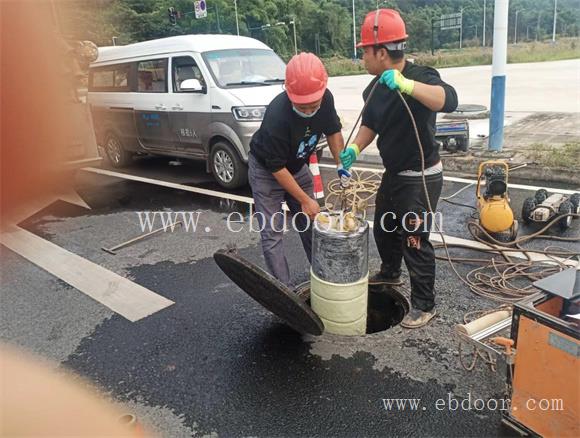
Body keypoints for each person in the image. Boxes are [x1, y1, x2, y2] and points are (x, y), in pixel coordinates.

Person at [340, 9, 458, 328]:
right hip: (393, 175)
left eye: (365, 51)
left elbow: (448, 100)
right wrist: (354, 148)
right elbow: (371, 124)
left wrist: (406, 85)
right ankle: (390, 273)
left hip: (421, 177)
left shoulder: (422, 77)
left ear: (381, 52)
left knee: (414, 238)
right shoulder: (374, 88)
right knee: (384, 227)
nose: (362, 57)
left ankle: (424, 304)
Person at [249, 52, 344, 286]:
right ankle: (285, 292)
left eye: (314, 105)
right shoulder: (277, 116)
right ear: (290, 94)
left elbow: (333, 131)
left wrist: (342, 163)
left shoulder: (326, 99)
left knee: (312, 222)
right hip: (267, 170)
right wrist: (303, 199)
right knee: (272, 233)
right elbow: (277, 168)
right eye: (303, 106)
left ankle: (323, 276)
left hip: (296, 165)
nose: (310, 110)